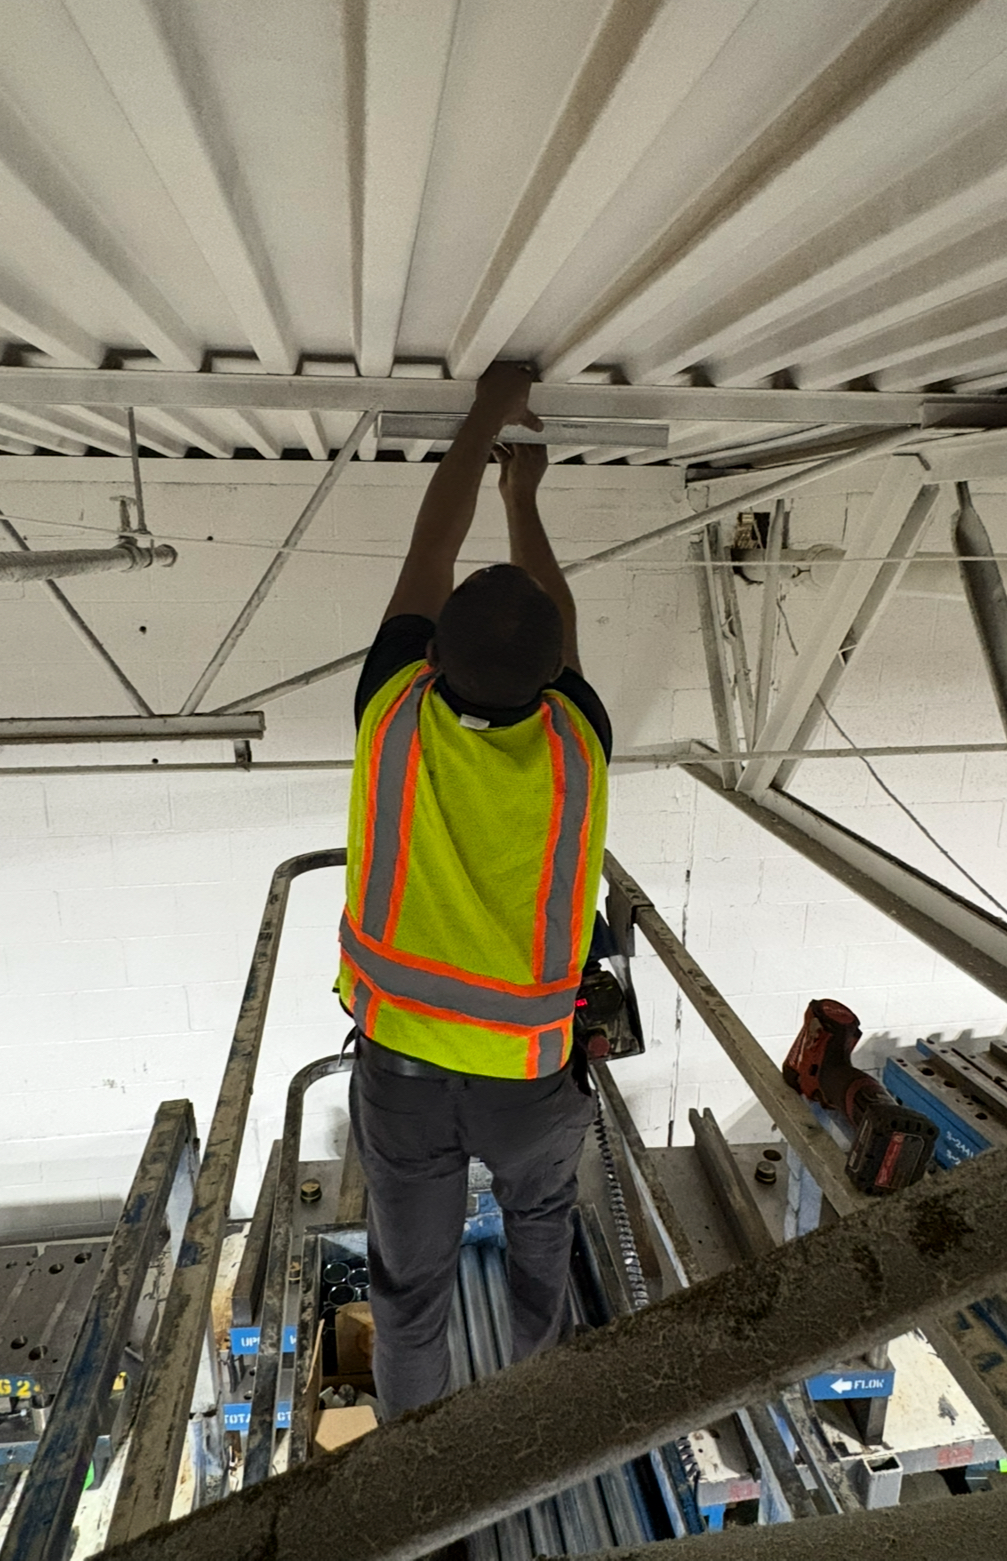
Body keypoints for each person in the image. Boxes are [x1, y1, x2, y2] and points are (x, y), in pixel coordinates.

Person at [337, 361, 611, 1419]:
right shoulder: (580, 741)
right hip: (529, 1076)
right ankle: (529, 1426)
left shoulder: (391, 712)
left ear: (432, 651)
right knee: (543, 1233)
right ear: (555, 677)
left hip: (403, 1070)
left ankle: (418, 1477)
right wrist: (525, 495)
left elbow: (427, 546)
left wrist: (488, 413)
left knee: (411, 1288)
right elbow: (557, 608)